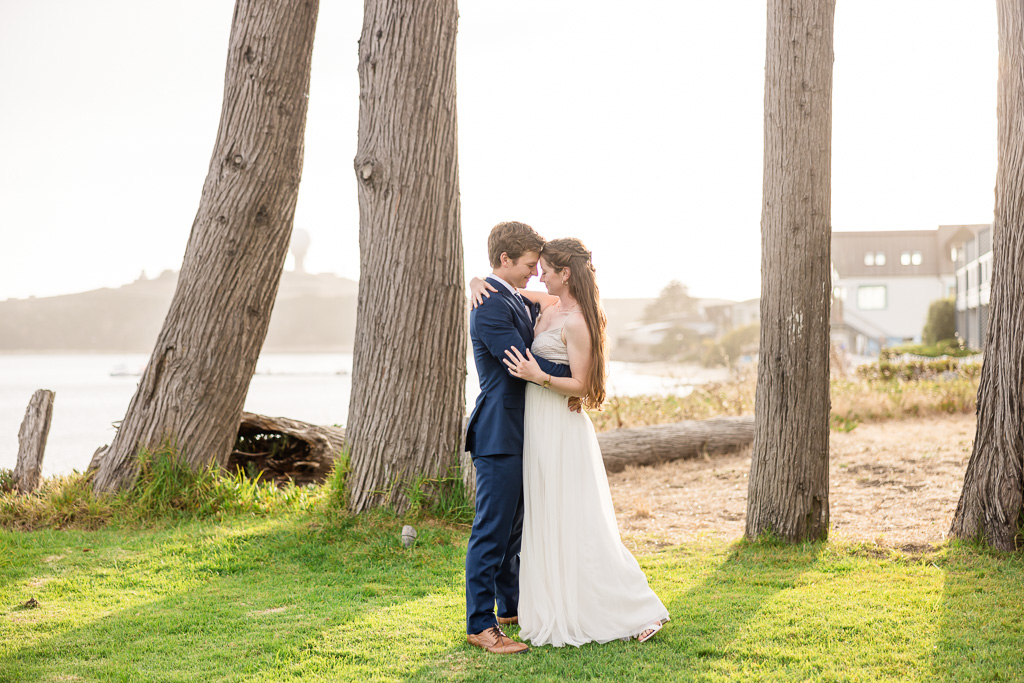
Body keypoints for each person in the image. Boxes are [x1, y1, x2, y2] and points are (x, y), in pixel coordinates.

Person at [472, 237, 669, 647]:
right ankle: (532, 605)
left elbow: (583, 383)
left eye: (545, 269)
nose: (538, 274)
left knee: (576, 519)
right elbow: (503, 286)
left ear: (565, 273)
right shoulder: (546, 305)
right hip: (534, 427)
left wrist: (539, 376)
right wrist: (473, 280)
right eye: (534, 266)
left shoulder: (578, 320)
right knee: (540, 520)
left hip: (560, 426)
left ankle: (634, 607)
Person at [464, 221, 574, 655]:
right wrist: (580, 378)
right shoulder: (491, 306)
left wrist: (475, 278)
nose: (534, 272)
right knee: (492, 531)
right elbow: (522, 362)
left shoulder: (508, 296)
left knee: (514, 532)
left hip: (523, 431)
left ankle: (510, 608)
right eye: (529, 265)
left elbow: (553, 300)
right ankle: (480, 625)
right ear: (504, 260)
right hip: (499, 432)